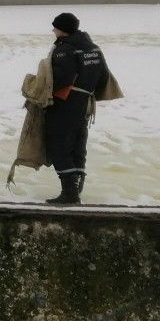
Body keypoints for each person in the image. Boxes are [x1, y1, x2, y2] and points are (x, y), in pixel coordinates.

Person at [44, 12, 106, 205]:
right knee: (78, 145)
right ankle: (76, 189)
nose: (53, 30)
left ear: (63, 30)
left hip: (66, 103)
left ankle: (69, 193)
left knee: (59, 144)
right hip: (85, 103)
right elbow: (104, 78)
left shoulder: (65, 49)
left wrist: (41, 92)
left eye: (55, 27)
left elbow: (61, 78)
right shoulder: (94, 48)